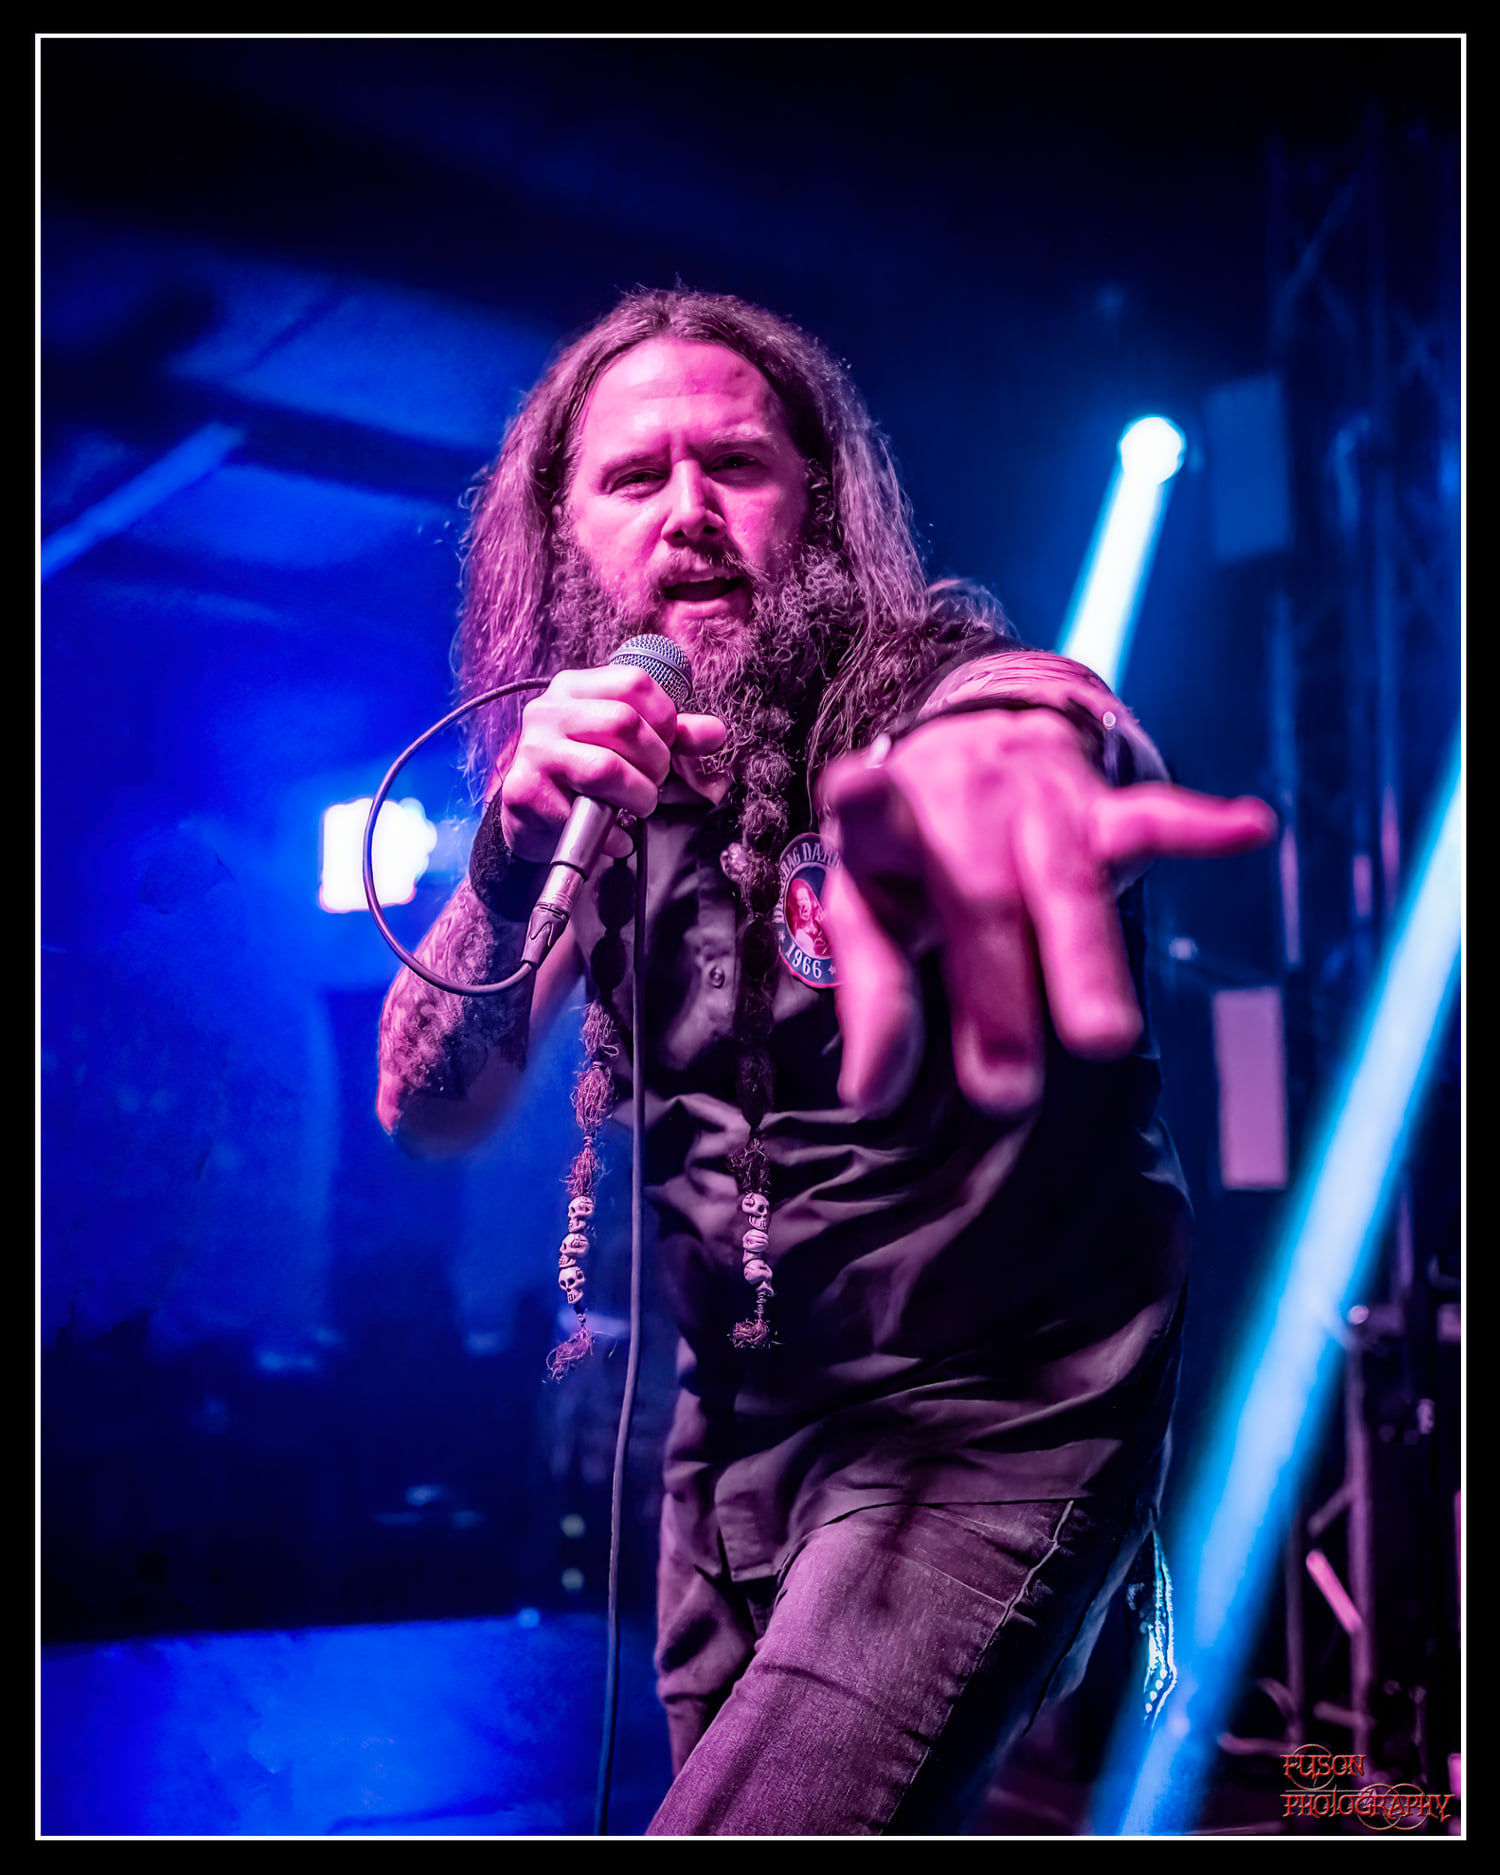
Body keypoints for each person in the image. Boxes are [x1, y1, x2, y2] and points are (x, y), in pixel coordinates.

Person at [375, 288, 1274, 1835]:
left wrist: (1014, 771)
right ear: (560, 535)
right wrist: (511, 863)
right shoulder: (596, 788)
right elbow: (423, 1108)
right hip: (729, 1440)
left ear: (821, 500)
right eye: (634, 478)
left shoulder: (921, 697)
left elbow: (1042, 717)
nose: (689, 512)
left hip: (985, 1420)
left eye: (735, 464)